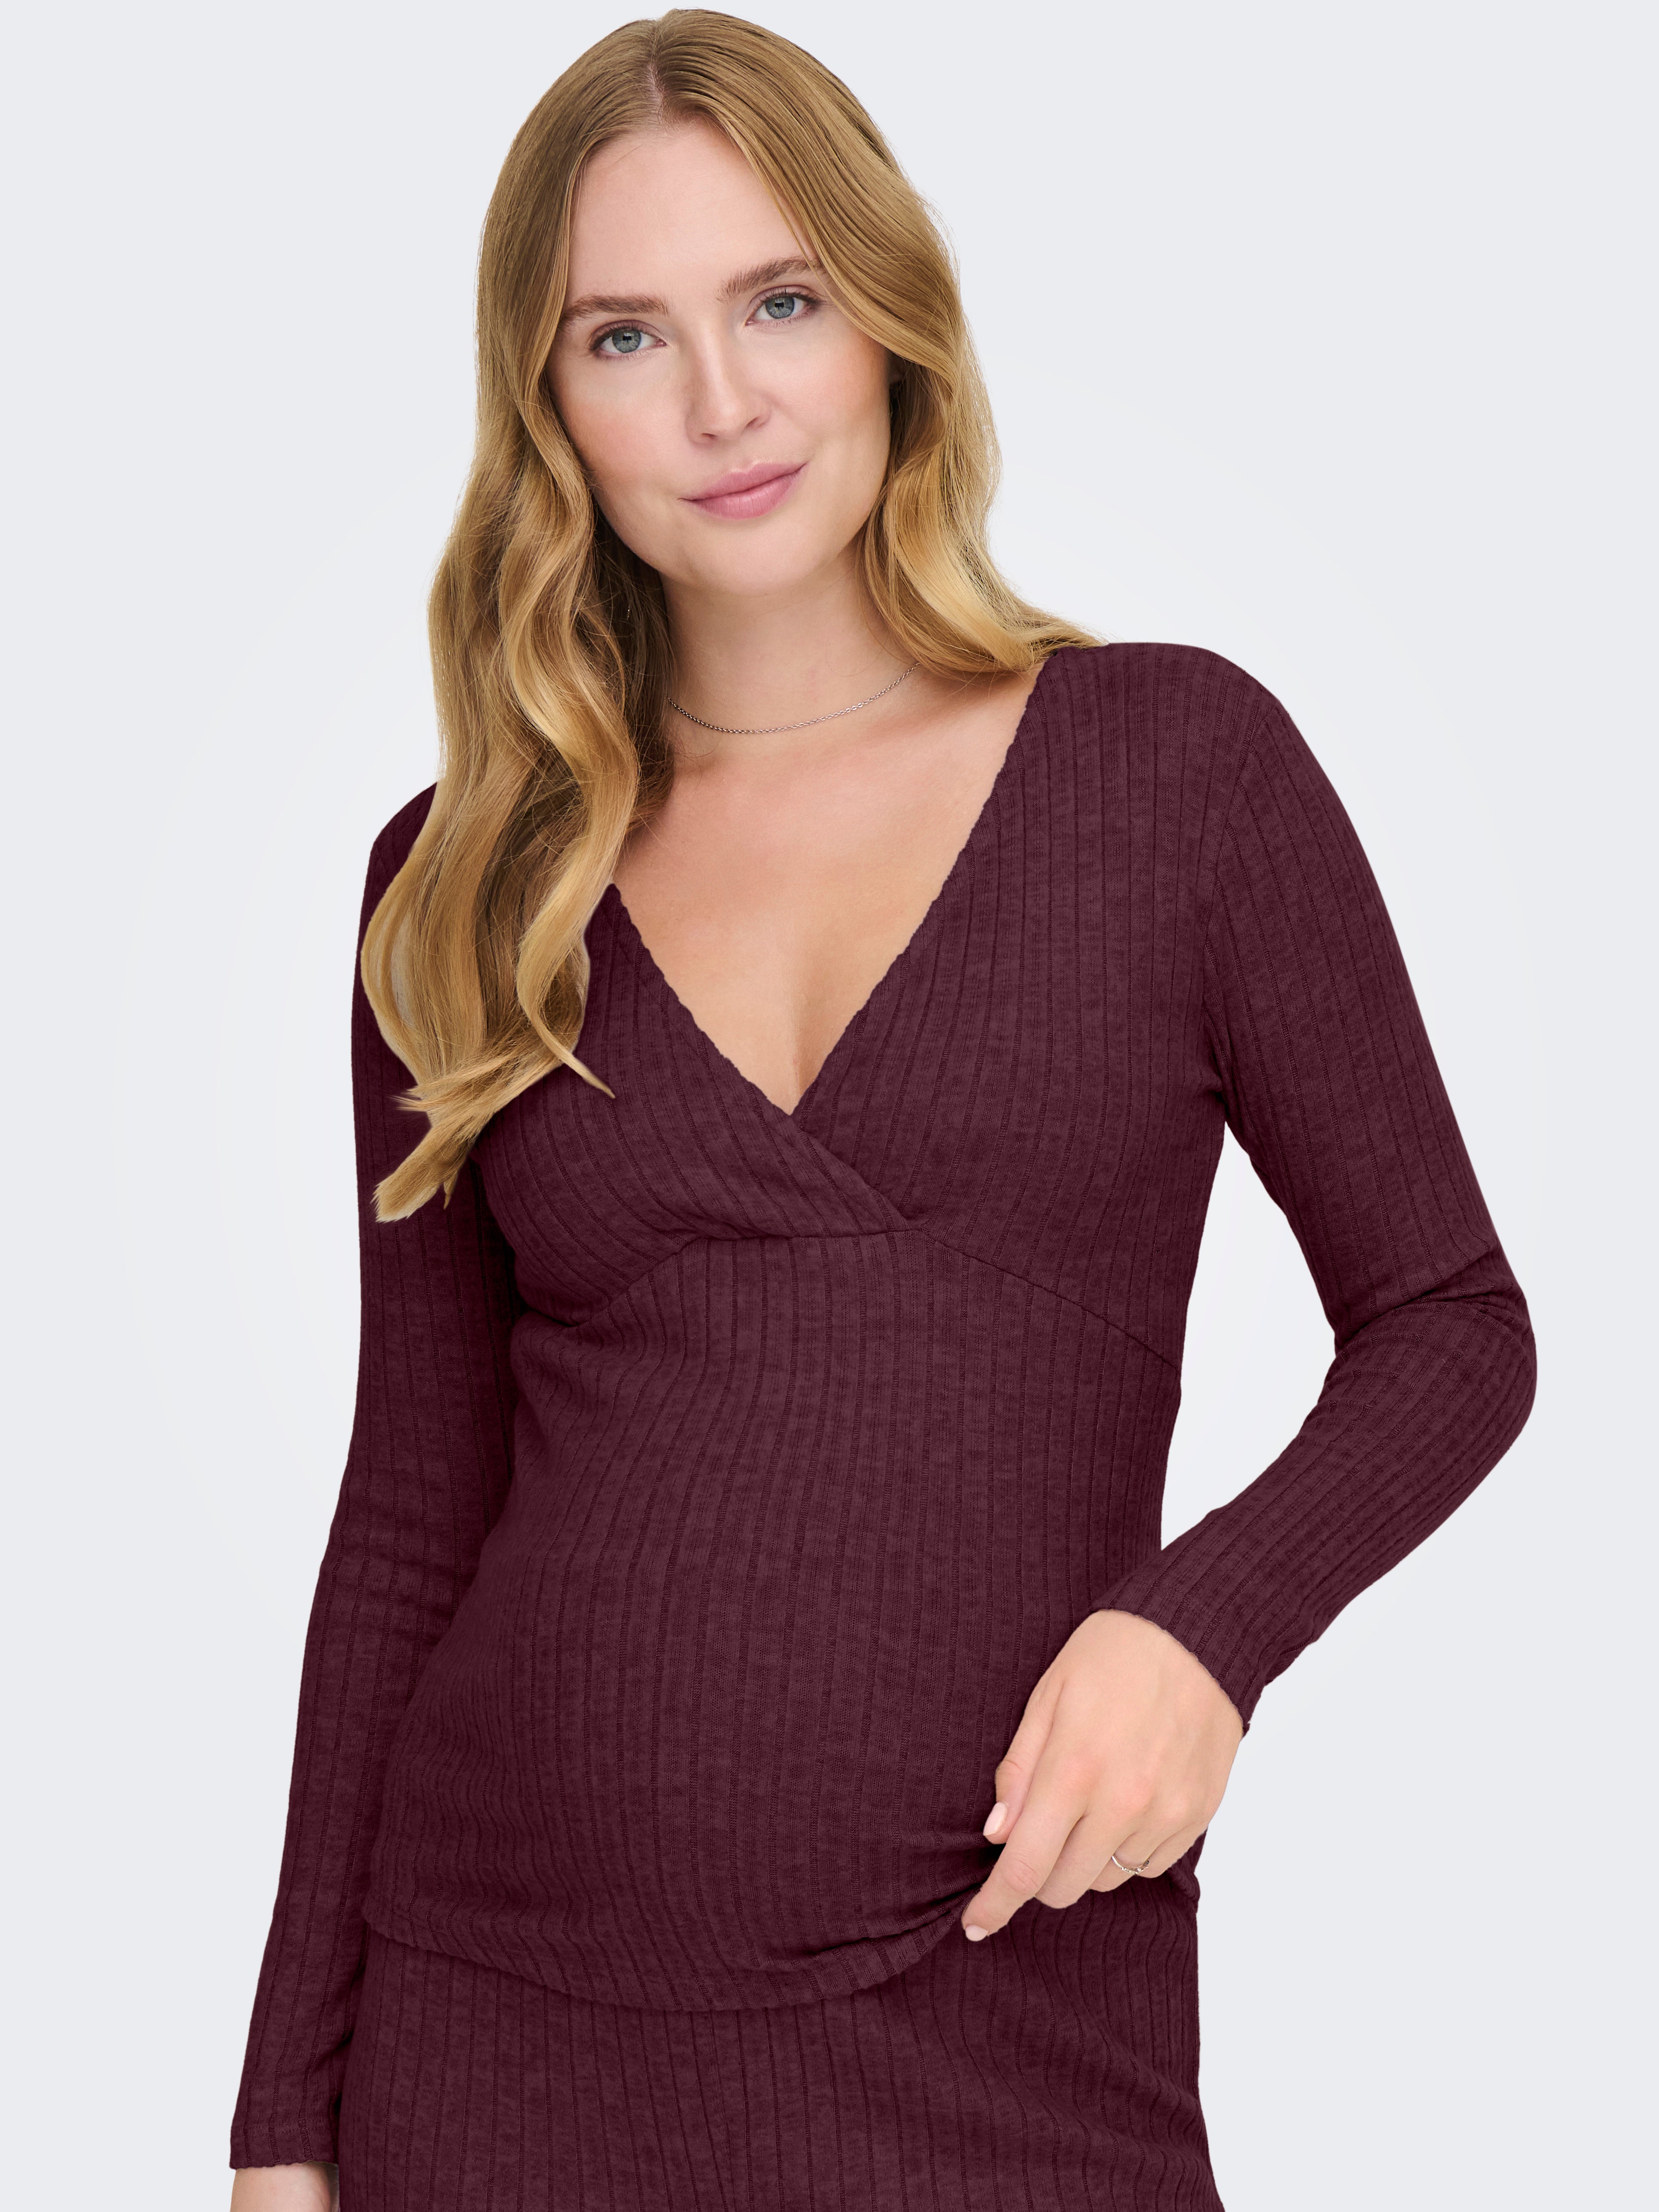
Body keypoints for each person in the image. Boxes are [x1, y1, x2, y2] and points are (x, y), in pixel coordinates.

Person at [226, 12, 1537, 2209]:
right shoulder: (456, 881)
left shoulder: (1177, 774)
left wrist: (1205, 1625)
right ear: (548, 407)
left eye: (781, 302)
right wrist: (284, 2122)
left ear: (890, 319)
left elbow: (1451, 1325)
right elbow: (409, 1519)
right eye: (625, 336)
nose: (721, 403)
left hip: (1001, 2014)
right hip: (494, 2049)